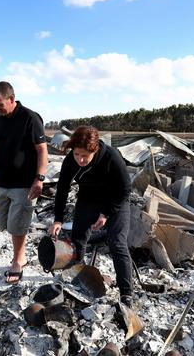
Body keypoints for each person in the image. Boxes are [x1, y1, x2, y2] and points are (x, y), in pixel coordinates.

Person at [47, 126, 134, 305]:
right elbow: (62, 190)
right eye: (77, 154)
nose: (80, 159)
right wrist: (58, 219)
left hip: (115, 201)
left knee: (117, 242)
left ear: (95, 150)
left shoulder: (111, 157)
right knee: (78, 239)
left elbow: (125, 190)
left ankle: (126, 292)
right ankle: (78, 278)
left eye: (85, 155)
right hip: (88, 198)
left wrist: (106, 214)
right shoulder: (71, 160)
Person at [0, 81, 48, 284]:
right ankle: (20, 254)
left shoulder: (30, 118)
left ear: (11, 99)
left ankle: (18, 260)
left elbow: (42, 150)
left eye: (0, 104)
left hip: (24, 183)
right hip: (3, 181)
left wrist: (39, 178)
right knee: (5, 223)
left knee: (18, 225)